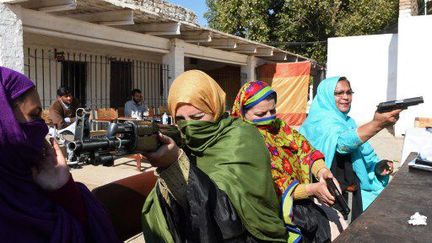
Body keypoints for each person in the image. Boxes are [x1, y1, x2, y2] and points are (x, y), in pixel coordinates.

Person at [141, 70, 290, 242]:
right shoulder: (185, 144)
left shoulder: (242, 136)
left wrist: (175, 165)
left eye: (197, 117)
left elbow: (227, 216)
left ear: (216, 109)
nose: (189, 125)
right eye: (180, 119)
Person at [0, 67, 120, 242]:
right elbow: (58, 122)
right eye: (34, 115)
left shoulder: (32, 182)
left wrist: (65, 190)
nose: (41, 128)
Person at [231, 80, 347, 242]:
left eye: (273, 111)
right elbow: (269, 186)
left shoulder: (280, 128)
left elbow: (303, 148)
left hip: (302, 207)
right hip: (270, 217)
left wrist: (322, 170)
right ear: (242, 112)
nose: (269, 118)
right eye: (260, 115)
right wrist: (310, 190)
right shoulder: (241, 141)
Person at [299, 76, 400, 218]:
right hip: (331, 197)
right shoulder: (319, 122)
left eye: (349, 92)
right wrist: (377, 124)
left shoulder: (347, 122)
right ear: (326, 95)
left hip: (352, 194)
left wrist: (378, 167)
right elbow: (342, 144)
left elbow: (363, 152)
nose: (345, 97)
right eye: (339, 93)